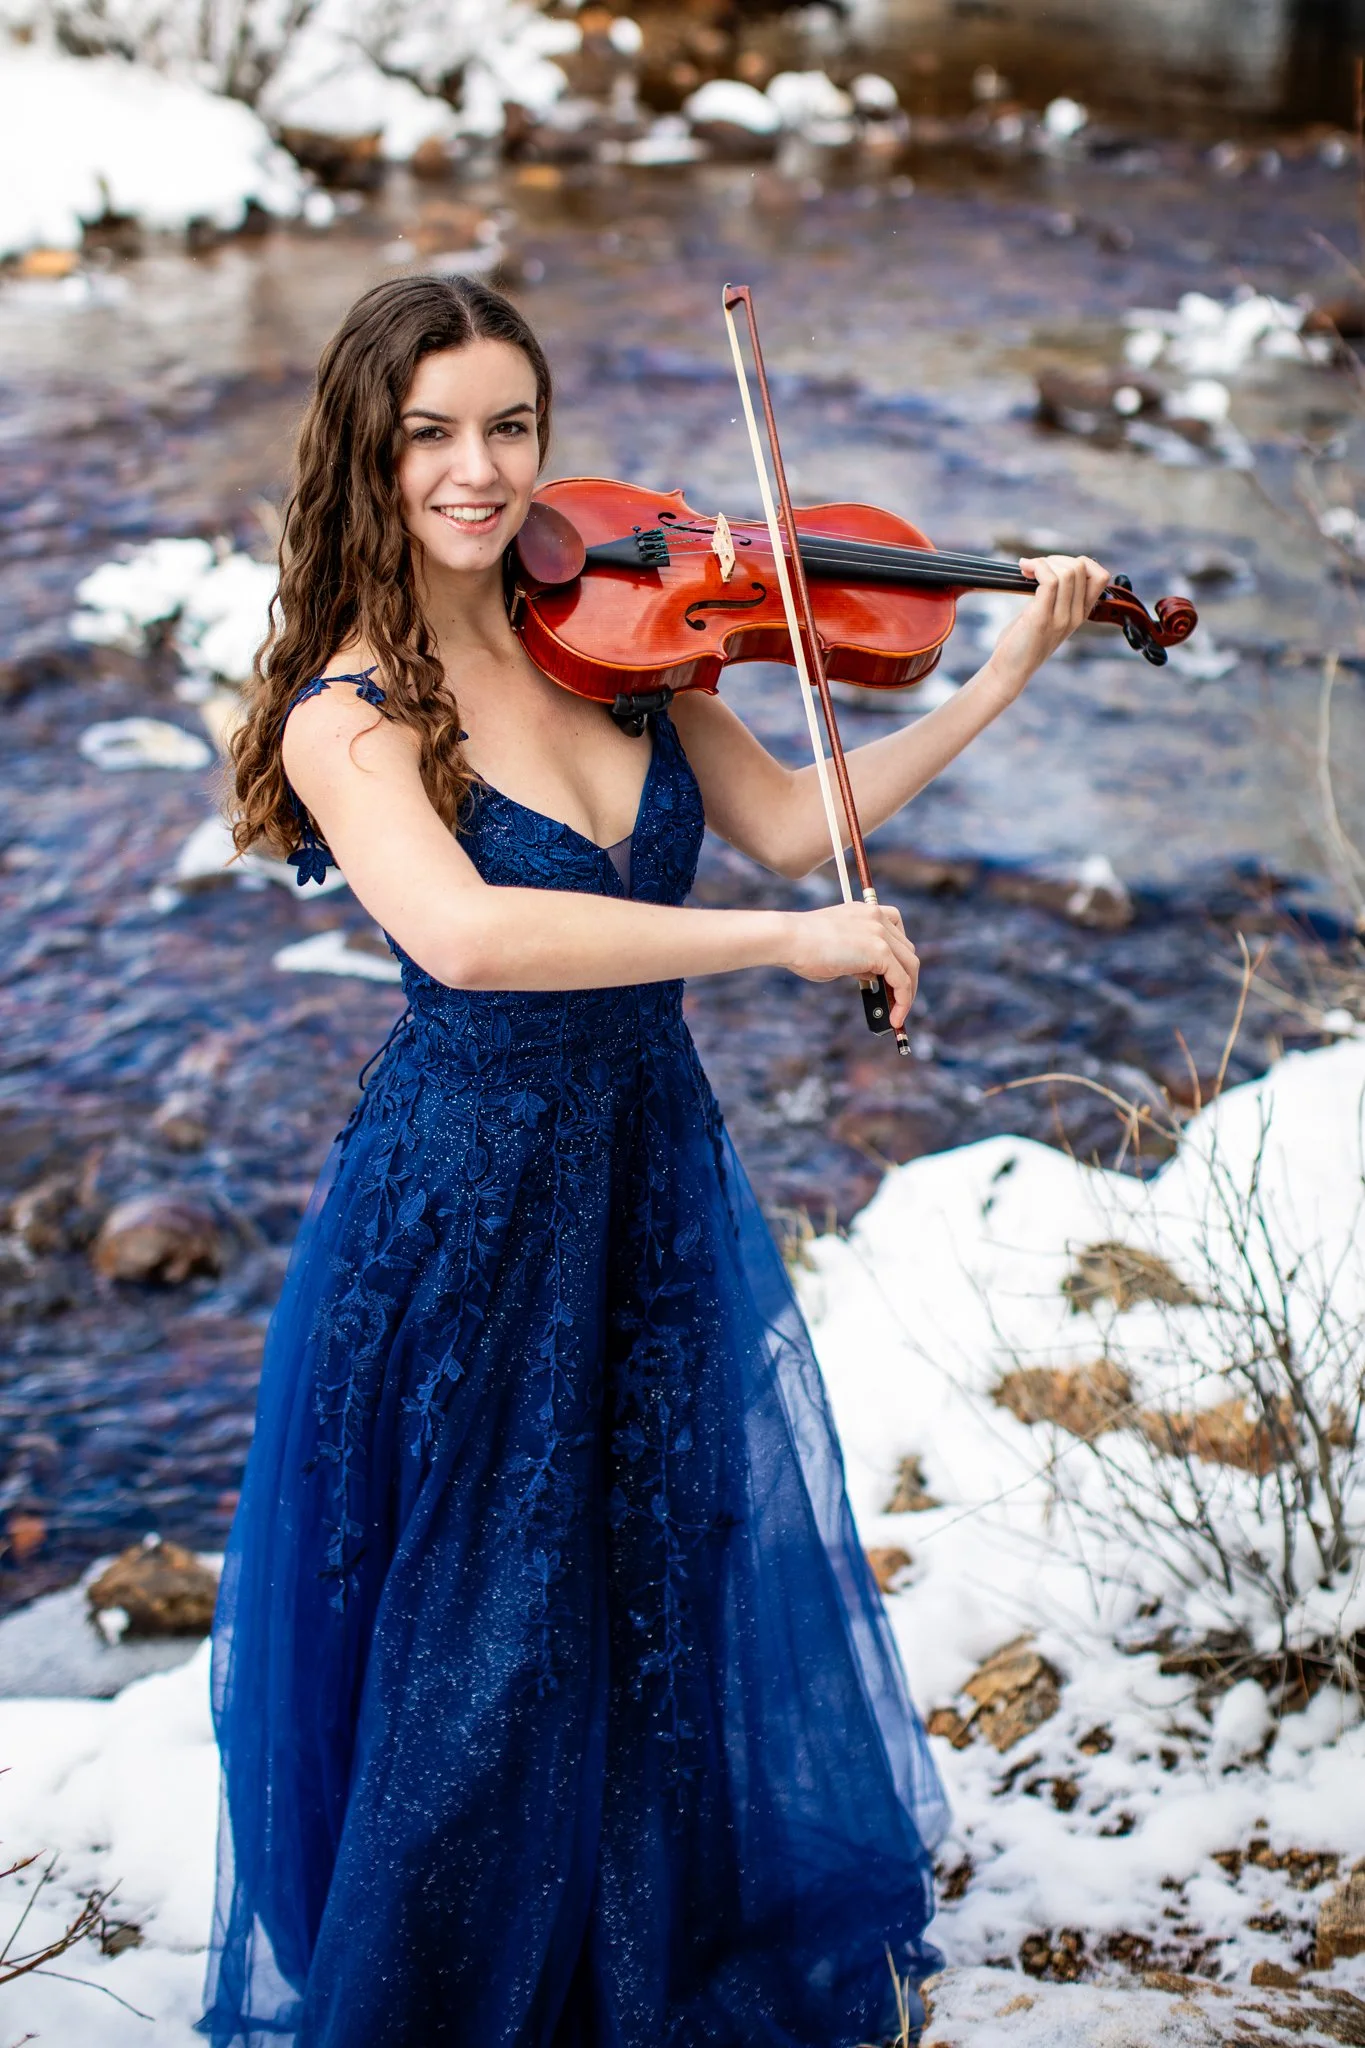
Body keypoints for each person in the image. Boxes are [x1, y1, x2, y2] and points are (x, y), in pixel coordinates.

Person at [199, 271, 1111, 2048]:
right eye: (431, 436)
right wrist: (785, 951)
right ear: (365, 456)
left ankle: (625, 1963)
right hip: (467, 1197)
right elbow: (467, 938)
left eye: (512, 427)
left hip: (642, 1163)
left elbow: (788, 821)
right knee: (483, 1623)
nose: (481, 472)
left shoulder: (615, 637)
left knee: (640, 1580)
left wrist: (1005, 668)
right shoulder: (349, 706)